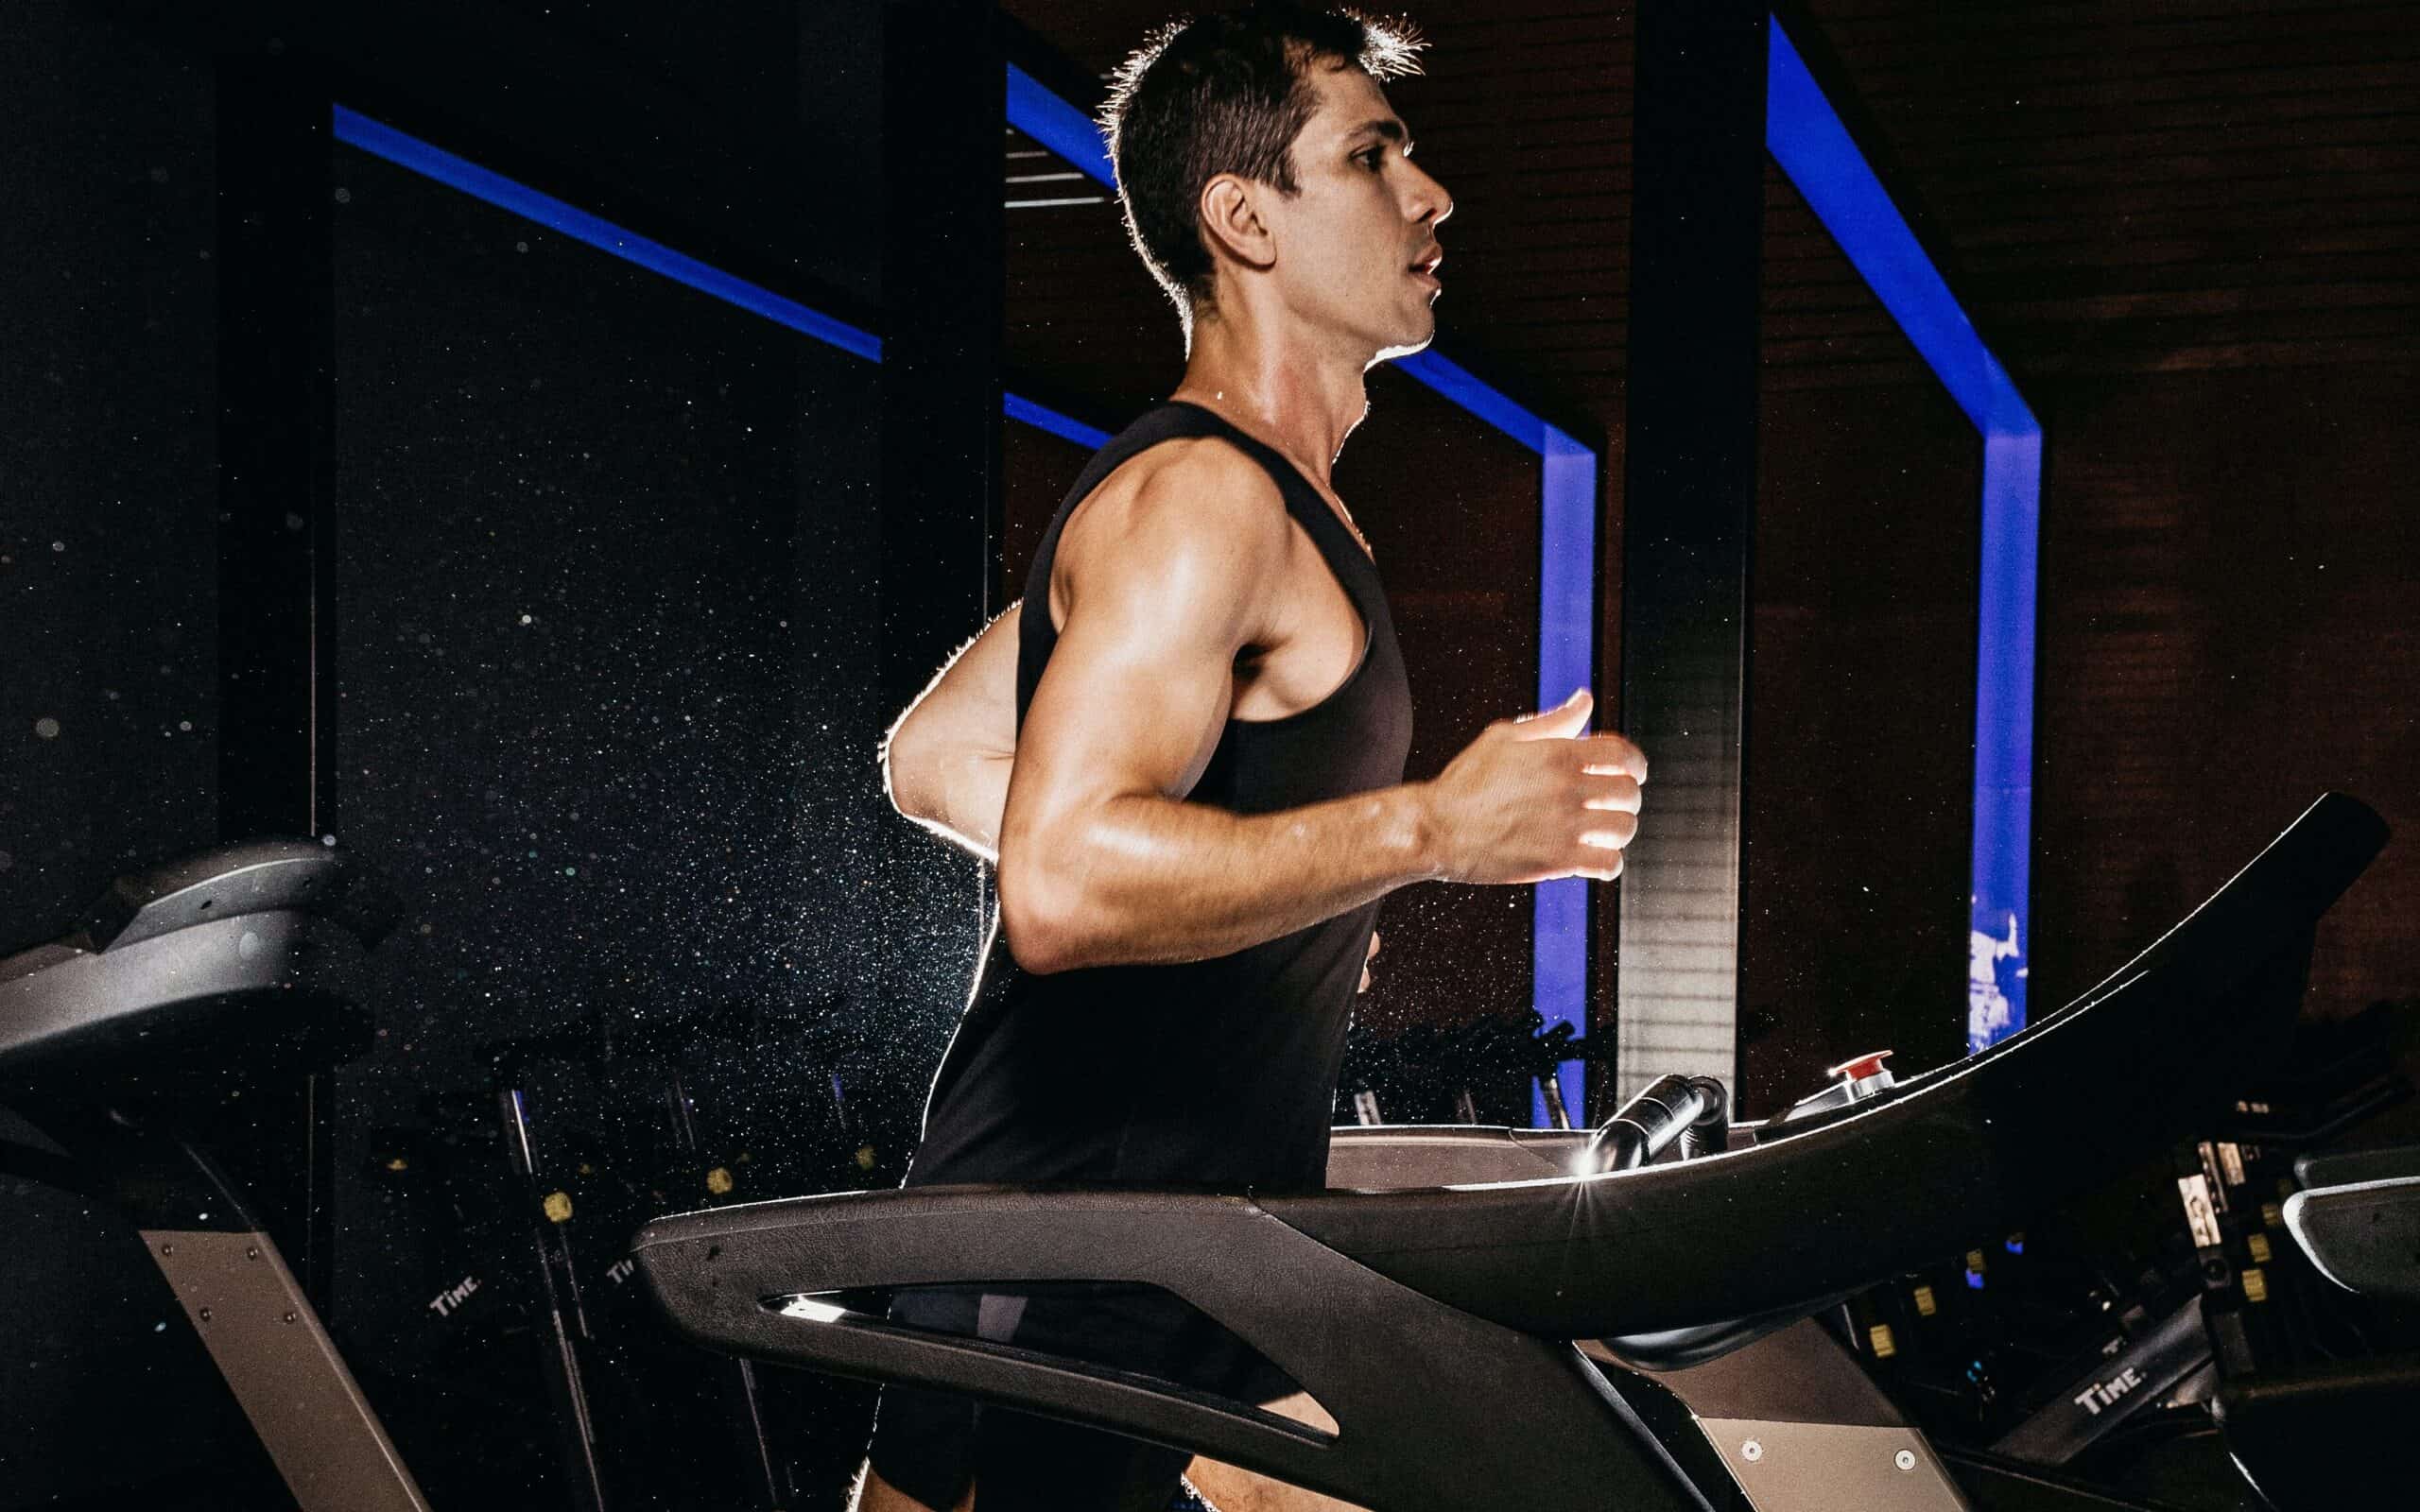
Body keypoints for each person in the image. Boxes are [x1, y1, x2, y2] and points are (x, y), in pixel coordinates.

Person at [867, 7, 1646, 1509]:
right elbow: (1063, 886)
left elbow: (940, 748)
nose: (1432, 195)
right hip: (1058, 1258)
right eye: (1372, 156)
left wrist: (1164, 856)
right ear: (1244, 219)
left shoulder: (1284, 511)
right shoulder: (1200, 504)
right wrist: (1429, 828)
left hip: (1203, 1247)